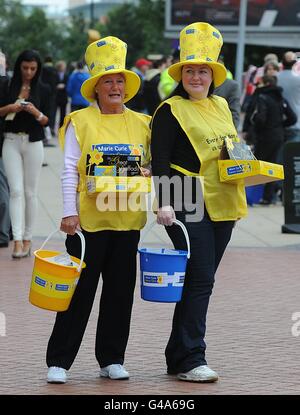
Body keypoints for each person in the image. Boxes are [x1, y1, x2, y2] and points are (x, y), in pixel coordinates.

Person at [46, 36, 151, 384]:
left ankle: (111, 359)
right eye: (108, 80)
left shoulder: (142, 123)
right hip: (88, 223)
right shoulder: (80, 120)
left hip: (127, 221)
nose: (115, 86)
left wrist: (148, 172)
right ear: (96, 87)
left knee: (120, 295)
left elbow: (150, 165)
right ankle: (59, 361)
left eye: (120, 80)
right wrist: (67, 212)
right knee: (78, 295)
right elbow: (68, 169)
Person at [151, 22, 247, 383]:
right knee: (201, 278)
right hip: (184, 197)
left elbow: (233, 147)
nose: (196, 76)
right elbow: (158, 159)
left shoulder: (221, 104)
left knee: (198, 278)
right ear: (181, 73)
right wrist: (163, 202)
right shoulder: (169, 109)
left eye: (202, 70)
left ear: (212, 75)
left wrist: (252, 171)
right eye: (189, 70)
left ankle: (178, 356)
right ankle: (192, 357)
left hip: (223, 197)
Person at [0, 50, 50, 258]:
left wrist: (34, 111)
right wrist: (11, 107)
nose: (28, 72)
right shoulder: (6, 86)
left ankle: (28, 238)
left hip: (33, 142)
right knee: (15, 191)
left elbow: (48, 120)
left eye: (32, 68)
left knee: (31, 192)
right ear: (19, 66)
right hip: (11, 140)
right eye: (25, 68)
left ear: (37, 69)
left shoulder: (44, 89)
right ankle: (17, 240)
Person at [243, 75, 296, 205]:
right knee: (272, 166)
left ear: (265, 83)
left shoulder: (263, 97)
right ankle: (268, 197)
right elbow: (293, 118)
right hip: (278, 136)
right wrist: (280, 125)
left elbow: (260, 118)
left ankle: (252, 196)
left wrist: (255, 126)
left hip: (264, 136)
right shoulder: (280, 98)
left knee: (258, 166)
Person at [277, 51, 300, 143]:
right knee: (293, 155)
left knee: (277, 155)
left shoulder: (275, 78)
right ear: (294, 64)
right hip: (296, 121)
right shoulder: (298, 79)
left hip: (278, 121)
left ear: (282, 63)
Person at [55, 60, 69, 129]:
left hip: (64, 97)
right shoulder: (55, 74)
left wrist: (65, 86)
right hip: (56, 97)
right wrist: (56, 86)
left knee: (63, 113)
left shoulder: (67, 75)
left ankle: (61, 127)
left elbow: (69, 85)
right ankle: (52, 127)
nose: (63, 68)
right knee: (54, 113)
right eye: (62, 66)